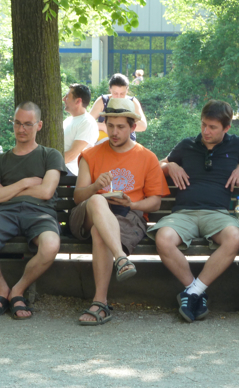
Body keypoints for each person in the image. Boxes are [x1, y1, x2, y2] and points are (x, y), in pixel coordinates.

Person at [147, 100, 239, 323]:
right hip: (183, 214)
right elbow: (158, 166)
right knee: (163, 238)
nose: (206, 131)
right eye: (203, 125)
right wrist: (170, 165)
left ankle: (192, 293)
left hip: (217, 214)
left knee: (235, 237)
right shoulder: (187, 145)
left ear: (226, 128)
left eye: (213, 127)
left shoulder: (237, 145)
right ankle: (195, 292)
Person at [70, 98, 169, 326]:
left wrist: (132, 204)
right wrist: (95, 187)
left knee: (100, 232)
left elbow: (155, 203)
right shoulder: (91, 154)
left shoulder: (147, 157)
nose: (114, 132)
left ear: (133, 127)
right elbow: (78, 197)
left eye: (121, 127)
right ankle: (121, 258)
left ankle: (100, 303)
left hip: (127, 215)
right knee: (97, 200)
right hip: (85, 214)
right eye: (110, 126)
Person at [0, 101, 66, 319]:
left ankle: (18, 291)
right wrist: (25, 183)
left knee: (51, 245)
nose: (22, 129)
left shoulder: (50, 155)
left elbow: (46, 192)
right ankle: (2, 289)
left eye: (28, 124)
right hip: (4, 215)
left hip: (40, 214)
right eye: (18, 123)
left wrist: (6, 190)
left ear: (39, 125)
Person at [89, 73, 147, 144]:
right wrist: (102, 126)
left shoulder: (132, 102)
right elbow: (86, 123)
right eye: (115, 93)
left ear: (127, 90)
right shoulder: (102, 101)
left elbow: (143, 126)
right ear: (110, 89)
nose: (119, 97)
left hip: (127, 142)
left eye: (122, 93)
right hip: (105, 141)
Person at [62, 84, 98, 175]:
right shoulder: (68, 120)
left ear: (78, 101)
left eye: (67, 96)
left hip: (70, 171)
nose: (63, 99)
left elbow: (71, 155)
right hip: (60, 168)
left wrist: (48, 164)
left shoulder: (87, 122)